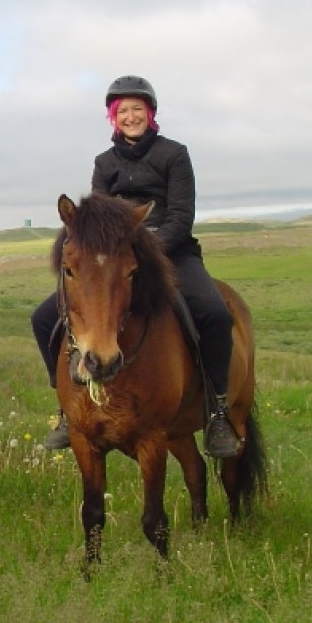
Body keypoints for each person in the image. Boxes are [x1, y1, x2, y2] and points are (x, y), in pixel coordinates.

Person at [31, 75, 241, 459]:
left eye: (137, 109)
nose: (131, 116)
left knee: (213, 313)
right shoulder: (104, 162)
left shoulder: (174, 154)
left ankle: (219, 411)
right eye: (123, 110)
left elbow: (181, 215)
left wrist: (147, 250)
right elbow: (95, 217)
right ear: (114, 117)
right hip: (114, 262)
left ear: (150, 113)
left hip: (172, 253)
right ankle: (65, 409)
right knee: (44, 318)